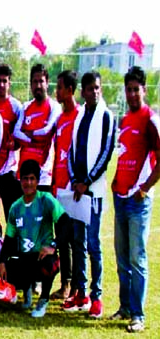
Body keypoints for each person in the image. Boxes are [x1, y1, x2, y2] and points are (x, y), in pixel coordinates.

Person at [61, 71, 116, 317]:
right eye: (90, 88)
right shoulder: (80, 115)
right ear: (82, 91)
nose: (95, 92)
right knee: (78, 242)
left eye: (97, 88)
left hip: (93, 192)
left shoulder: (106, 115)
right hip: (78, 191)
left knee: (93, 244)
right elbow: (72, 150)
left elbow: (106, 154)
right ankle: (80, 292)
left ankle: (97, 296)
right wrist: (74, 180)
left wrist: (87, 181)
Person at [110, 66, 160, 332]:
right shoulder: (126, 119)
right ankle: (125, 307)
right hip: (120, 197)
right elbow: (124, 154)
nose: (131, 94)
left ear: (144, 90)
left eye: (135, 89)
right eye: (128, 89)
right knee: (122, 258)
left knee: (137, 258)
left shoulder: (150, 119)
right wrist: (117, 182)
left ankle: (138, 315)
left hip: (138, 201)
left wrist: (145, 187)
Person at [0, 159, 68, 318]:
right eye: (25, 179)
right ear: (20, 180)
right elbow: (9, 239)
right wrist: (2, 263)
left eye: (32, 179)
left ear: (37, 180)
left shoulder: (46, 200)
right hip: (24, 259)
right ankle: (25, 288)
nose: (28, 183)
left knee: (50, 264)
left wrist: (53, 245)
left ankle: (43, 300)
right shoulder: (16, 207)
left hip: (42, 258)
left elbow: (65, 224)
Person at [49, 70, 78, 302]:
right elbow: (58, 151)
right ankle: (66, 284)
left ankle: (77, 286)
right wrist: (52, 184)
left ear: (69, 90)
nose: (55, 92)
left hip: (73, 189)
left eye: (58, 87)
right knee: (62, 237)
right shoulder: (60, 119)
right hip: (58, 187)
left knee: (74, 238)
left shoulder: (79, 117)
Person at [14, 64, 61, 193]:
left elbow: (46, 132)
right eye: (35, 82)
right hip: (23, 175)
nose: (38, 85)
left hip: (43, 176)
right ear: (30, 84)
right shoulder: (25, 107)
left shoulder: (54, 107)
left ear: (47, 83)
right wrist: (36, 140)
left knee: (42, 213)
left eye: (41, 81)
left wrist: (28, 134)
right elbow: (16, 133)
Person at [0, 64, 24, 214]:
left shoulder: (16, 107)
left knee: (12, 213)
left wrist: (14, 144)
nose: (1, 85)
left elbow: (21, 137)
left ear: (9, 83)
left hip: (9, 170)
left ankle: (14, 238)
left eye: (5, 81)